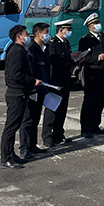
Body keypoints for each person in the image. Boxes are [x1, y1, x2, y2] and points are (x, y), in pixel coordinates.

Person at [0, 25, 41, 169]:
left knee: (15, 125)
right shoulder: (16, 51)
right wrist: (32, 81)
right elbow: (15, 75)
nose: (28, 36)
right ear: (19, 37)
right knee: (11, 127)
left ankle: (11, 154)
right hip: (16, 94)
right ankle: (5, 158)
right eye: (26, 34)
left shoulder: (20, 50)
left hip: (21, 93)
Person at [42, 19, 77, 147]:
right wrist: (70, 57)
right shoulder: (52, 44)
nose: (69, 32)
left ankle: (58, 134)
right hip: (55, 81)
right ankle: (47, 137)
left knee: (62, 109)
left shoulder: (65, 42)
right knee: (52, 109)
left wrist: (76, 59)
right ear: (61, 30)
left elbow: (66, 59)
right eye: (68, 30)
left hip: (65, 80)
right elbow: (55, 60)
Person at [19, 22, 51, 160]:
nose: (48, 35)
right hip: (33, 89)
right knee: (28, 119)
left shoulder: (42, 48)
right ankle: (24, 148)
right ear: (38, 34)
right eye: (46, 32)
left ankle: (32, 145)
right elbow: (31, 70)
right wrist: (32, 87)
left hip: (42, 88)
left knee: (36, 118)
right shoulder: (31, 49)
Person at [79, 13, 104, 139]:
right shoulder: (85, 40)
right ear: (90, 27)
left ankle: (95, 125)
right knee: (90, 101)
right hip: (93, 73)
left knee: (100, 101)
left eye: (98, 23)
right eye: (95, 24)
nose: (98, 25)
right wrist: (98, 57)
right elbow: (84, 57)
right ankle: (86, 128)